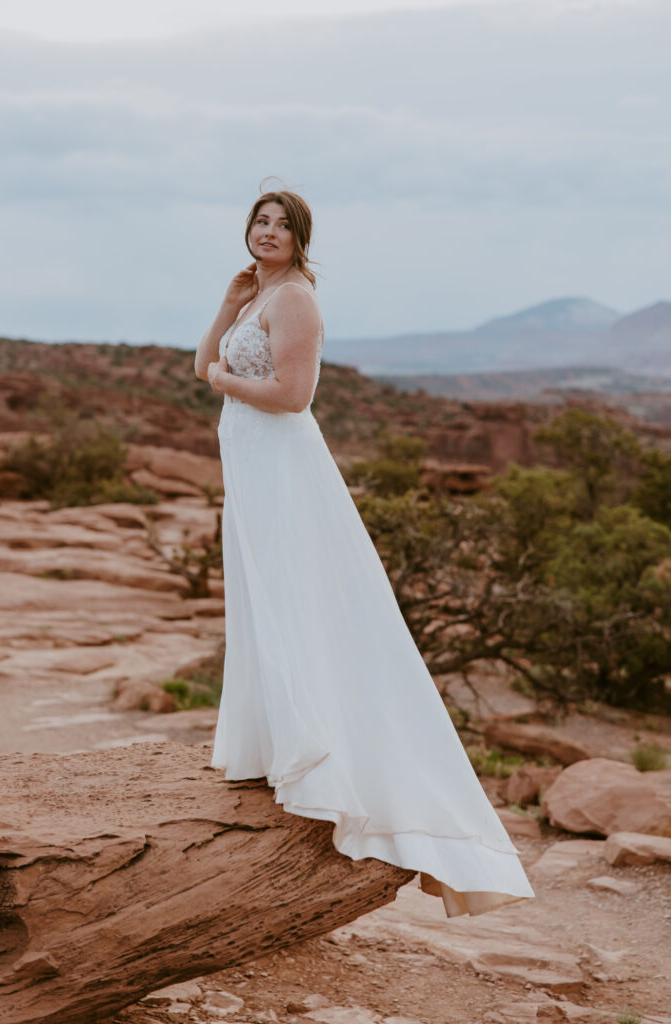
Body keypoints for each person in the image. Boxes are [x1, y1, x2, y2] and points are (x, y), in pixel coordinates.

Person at [194, 186, 536, 917]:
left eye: (282, 225)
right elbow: (202, 365)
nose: (267, 232)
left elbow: (292, 396)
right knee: (263, 593)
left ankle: (322, 755)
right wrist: (227, 306)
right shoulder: (258, 293)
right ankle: (270, 744)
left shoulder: (296, 302)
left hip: (282, 466)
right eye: (259, 220)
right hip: (251, 466)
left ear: (300, 237)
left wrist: (225, 379)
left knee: (296, 593)